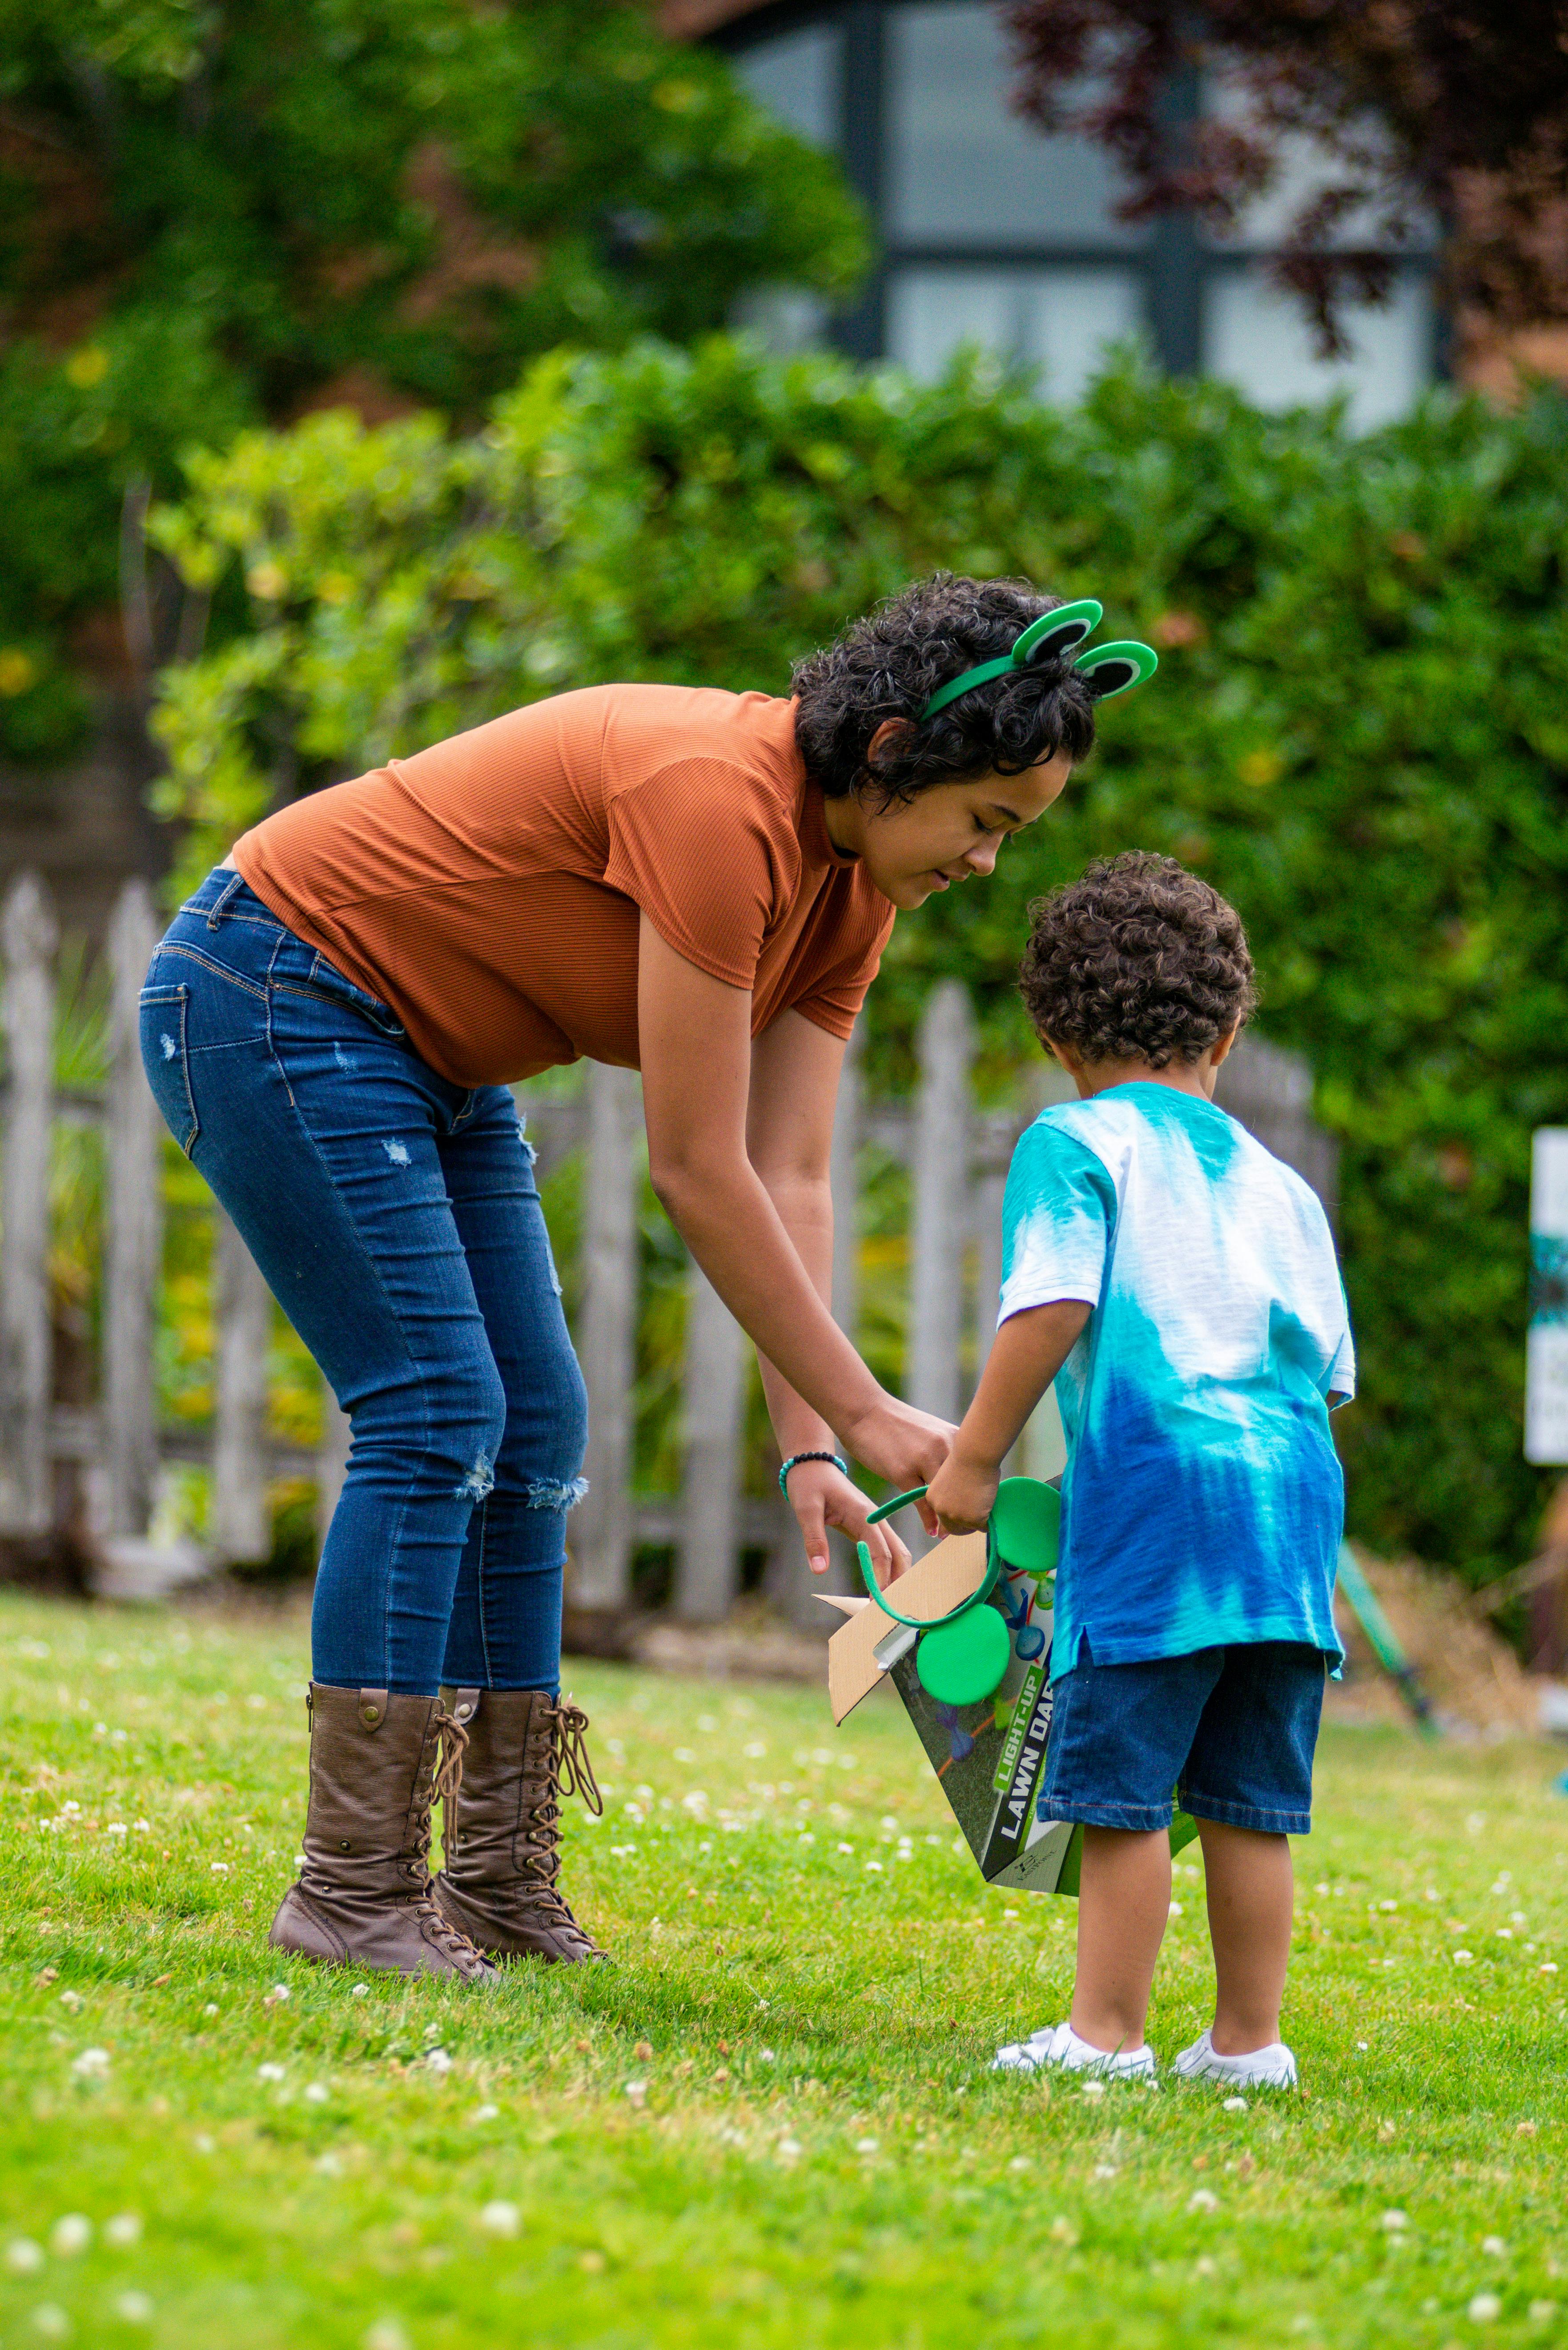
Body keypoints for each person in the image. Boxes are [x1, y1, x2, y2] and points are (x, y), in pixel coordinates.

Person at [137, 574, 1123, 1983]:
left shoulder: (851, 896)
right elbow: (696, 1165)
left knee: (533, 1429)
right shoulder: (717, 799)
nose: (987, 864)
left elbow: (787, 1178)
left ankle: (491, 1881)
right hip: (275, 989)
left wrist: (808, 1449)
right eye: (986, 823)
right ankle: (352, 1891)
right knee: (433, 1412)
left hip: (432, 1058)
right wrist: (867, 1410)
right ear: (898, 749)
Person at [925, 852, 1354, 2087]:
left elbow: (1049, 1303)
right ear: (1226, 1028)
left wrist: (974, 1458)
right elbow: (1326, 1374)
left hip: (1160, 1513)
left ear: (1058, 1034)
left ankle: (1106, 2034)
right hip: (1287, 1519)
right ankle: (1247, 2045)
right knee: (1251, 1802)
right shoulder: (1281, 1188)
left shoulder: (1076, 1143)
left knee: (1119, 1793)